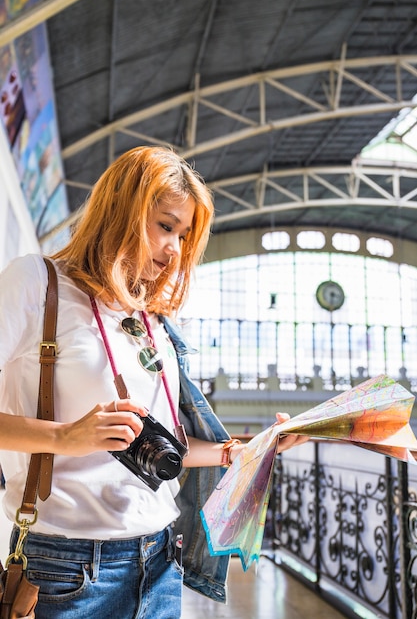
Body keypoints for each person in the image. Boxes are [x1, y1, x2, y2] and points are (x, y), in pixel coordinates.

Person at [0, 146, 308, 619]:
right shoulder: (37, 283)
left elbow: (166, 449)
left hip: (161, 560)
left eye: (184, 236)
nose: (175, 250)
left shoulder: (151, 321)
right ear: (118, 211)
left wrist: (244, 450)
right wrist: (66, 437)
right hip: (67, 567)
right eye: (165, 226)